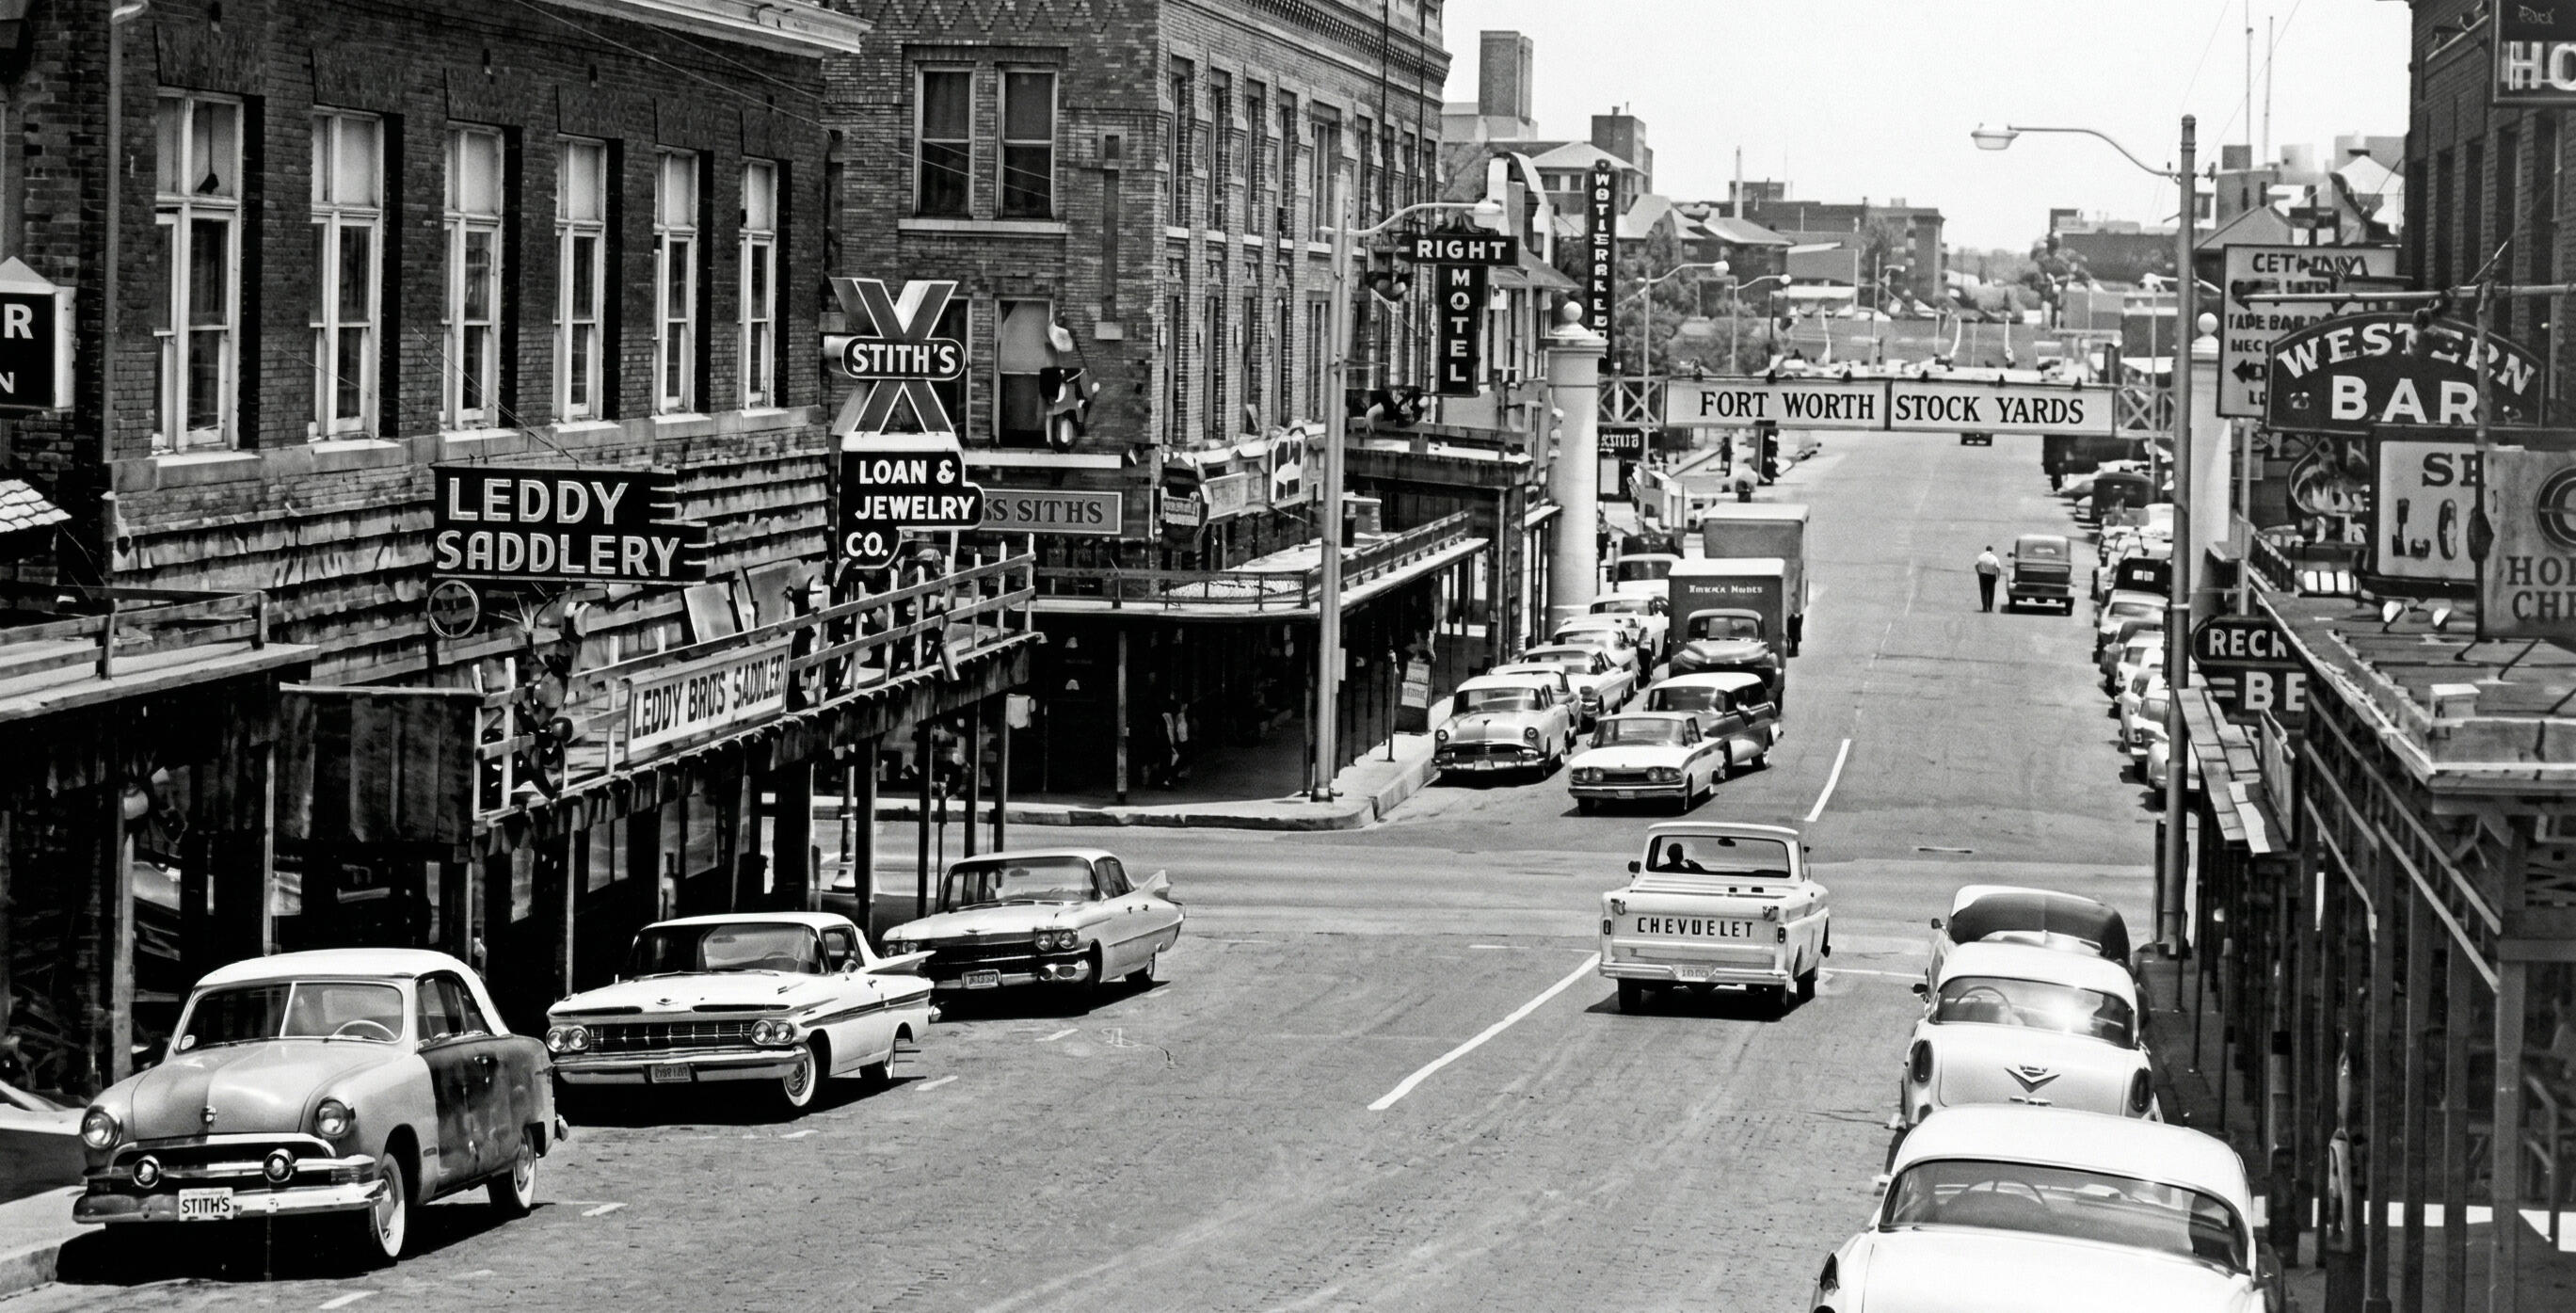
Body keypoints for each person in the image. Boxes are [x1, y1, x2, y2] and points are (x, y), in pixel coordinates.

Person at [1975, 546, 2002, 612]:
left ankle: (1984, 607)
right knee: (1991, 592)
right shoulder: (1994, 558)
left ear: (1986, 549)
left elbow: (1976, 565)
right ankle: (1990, 607)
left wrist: (1978, 573)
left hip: (1983, 575)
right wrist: (1998, 576)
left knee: (1983, 592)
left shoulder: (1981, 557)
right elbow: (1998, 568)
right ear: (1991, 550)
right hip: (1992, 576)